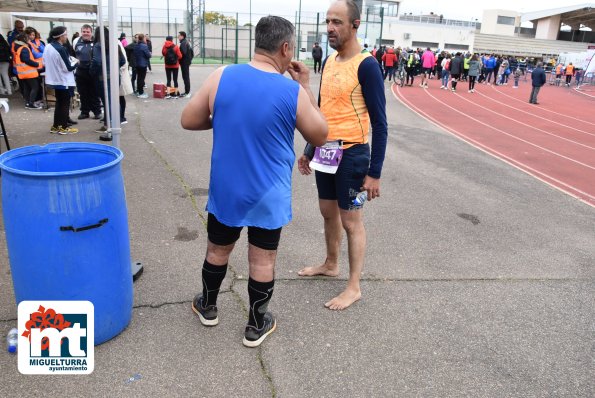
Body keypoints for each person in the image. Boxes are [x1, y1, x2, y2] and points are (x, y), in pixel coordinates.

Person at [180, 15, 327, 347]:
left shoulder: (223, 75)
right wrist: (305, 87)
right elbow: (320, 134)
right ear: (285, 47)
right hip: (268, 193)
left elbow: (189, 119)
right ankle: (255, 324)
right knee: (262, 259)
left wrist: (224, 120)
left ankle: (208, 306)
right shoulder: (291, 91)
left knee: (218, 249)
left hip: (227, 188)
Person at [297, 0, 388, 311]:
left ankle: (353, 286)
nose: (329, 28)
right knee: (327, 211)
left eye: (336, 22)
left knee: (353, 221)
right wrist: (310, 148)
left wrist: (374, 172)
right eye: (327, 21)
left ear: (355, 25)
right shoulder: (332, 62)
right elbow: (325, 112)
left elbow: (381, 123)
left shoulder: (367, 66)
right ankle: (330, 263)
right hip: (327, 153)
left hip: (354, 156)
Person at [43, 26, 78, 134]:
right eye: (65, 34)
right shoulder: (60, 49)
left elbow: (45, 62)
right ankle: (63, 127)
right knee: (64, 104)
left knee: (59, 103)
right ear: (61, 36)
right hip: (63, 81)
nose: (66, 37)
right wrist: (76, 62)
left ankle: (56, 126)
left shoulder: (48, 46)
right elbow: (68, 67)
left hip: (54, 80)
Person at [74, 24, 102, 120]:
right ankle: (84, 112)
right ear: (81, 32)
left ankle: (97, 112)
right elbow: (73, 56)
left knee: (94, 93)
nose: (85, 33)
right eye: (84, 32)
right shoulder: (76, 42)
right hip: (81, 72)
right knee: (83, 93)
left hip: (92, 72)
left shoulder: (96, 43)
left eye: (87, 32)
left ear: (91, 33)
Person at [12, 33, 41, 109]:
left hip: (23, 73)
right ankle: (31, 103)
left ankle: (28, 103)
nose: (29, 40)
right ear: (24, 39)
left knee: (27, 88)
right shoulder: (24, 48)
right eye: (27, 38)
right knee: (35, 87)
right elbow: (26, 59)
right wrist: (36, 64)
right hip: (29, 72)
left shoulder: (18, 47)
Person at [133, 33, 151, 98]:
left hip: (137, 64)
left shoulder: (136, 45)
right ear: (143, 38)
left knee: (139, 78)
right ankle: (141, 92)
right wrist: (149, 54)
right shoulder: (144, 46)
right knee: (141, 78)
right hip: (142, 65)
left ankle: (138, 91)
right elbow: (148, 55)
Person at [178, 31, 193, 97]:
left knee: (185, 77)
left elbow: (183, 53)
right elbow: (192, 53)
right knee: (186, 77)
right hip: (186, 62)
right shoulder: (186, 42)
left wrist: (178, 54)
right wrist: (189, 60)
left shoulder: (183, 43)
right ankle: (187, 91)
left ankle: (187, 92)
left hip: (184, 63)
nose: (178, 37)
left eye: (179, 36)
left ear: (182, 36)